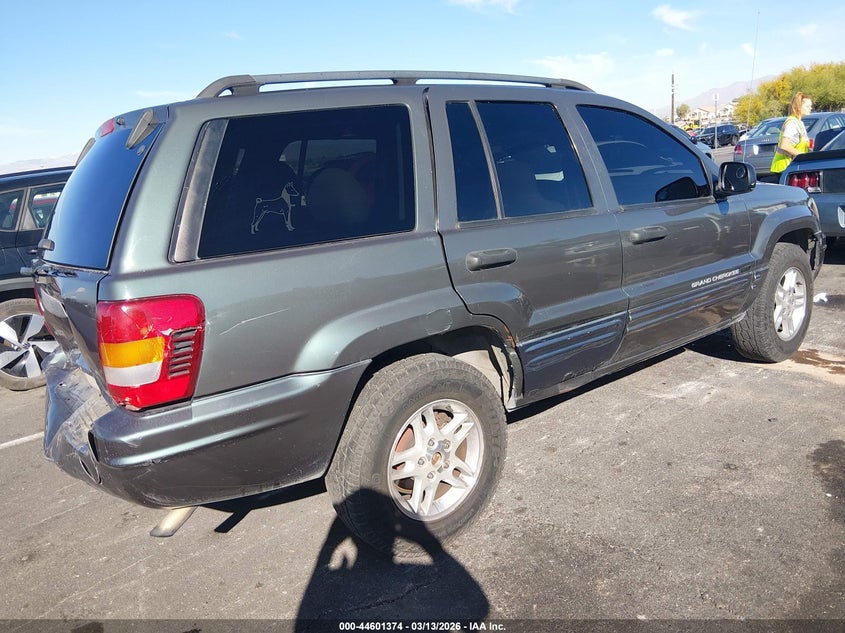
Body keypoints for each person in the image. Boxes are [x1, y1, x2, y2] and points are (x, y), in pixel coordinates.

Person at [771, 92, 813, 174]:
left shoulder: (799, 122)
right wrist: (804, 156)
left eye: (810, 106)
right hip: (784, 168)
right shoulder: (792, 123)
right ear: (798, 106)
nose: (810, 108)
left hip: (792, 167)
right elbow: (784, 145)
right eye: (807, 106)